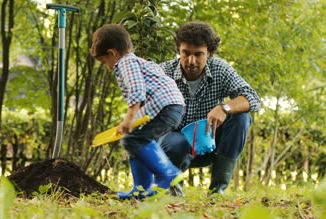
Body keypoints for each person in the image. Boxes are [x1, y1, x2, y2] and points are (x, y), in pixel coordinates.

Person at [159, 21, 261, 195]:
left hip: (210, 144)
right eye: (186, 53)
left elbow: (253, 99)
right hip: (172, 146)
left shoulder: (220, 69)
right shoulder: (163, 73)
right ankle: (171, 190)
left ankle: (217, 191)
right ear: (179, 50)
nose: (191, 61)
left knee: (242, 118)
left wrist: (224, 107)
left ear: (209, 54)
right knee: (176, 142)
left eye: (198, 54)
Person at [90, 24, 186, 199]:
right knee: (135, 144)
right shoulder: (140, 62)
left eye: (104, 61)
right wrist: (132, 124)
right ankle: (141, 190)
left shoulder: (125, 62)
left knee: (133, 141)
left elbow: (137, 89)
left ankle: (168, 174)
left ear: (112, 53)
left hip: (166, 106)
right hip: (171, 106)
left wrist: (128, 118)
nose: (107, 67)